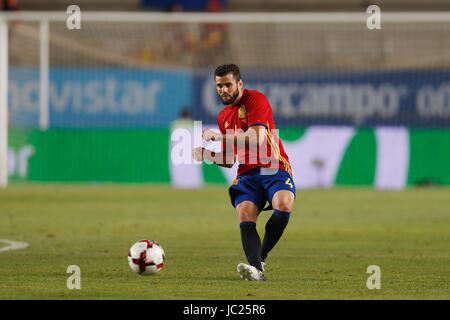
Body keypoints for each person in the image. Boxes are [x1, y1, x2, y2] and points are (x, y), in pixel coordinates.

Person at [192, 64, 296, 281]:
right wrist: (206, 154)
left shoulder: (256, 99)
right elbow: (229, 160)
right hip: (247, 174)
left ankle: (262, 256)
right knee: (245, 214)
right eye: (219, 86)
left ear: (239, 84)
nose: (223, 90)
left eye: (228, 84)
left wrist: (218, 137)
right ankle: (256, 270)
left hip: (273, 167)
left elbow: (257, 137)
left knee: (284, 204)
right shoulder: (223, 117)